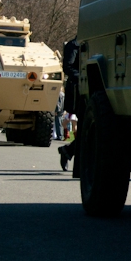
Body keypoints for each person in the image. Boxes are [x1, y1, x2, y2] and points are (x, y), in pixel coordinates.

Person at [59, 37, 79, 172]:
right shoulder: (73, 45)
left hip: (88, 89)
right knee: (84, 130)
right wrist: (83, 76)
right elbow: (68, 67)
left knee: (85, 131)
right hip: (77, 91)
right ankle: (68, 151)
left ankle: (68, 151)